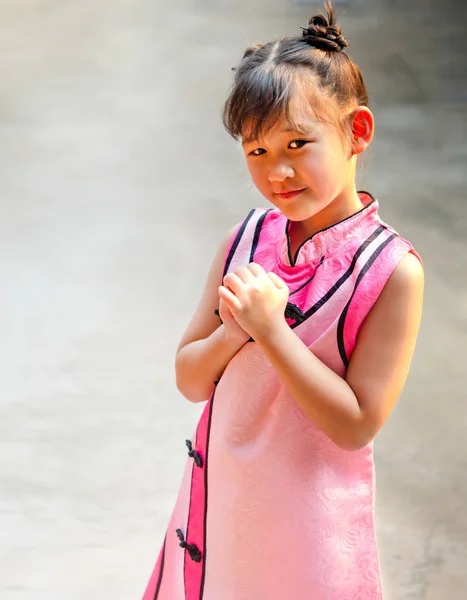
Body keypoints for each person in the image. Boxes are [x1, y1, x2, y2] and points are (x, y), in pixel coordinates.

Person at [142, 3, 424, 599]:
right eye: (257, 152)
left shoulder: (390, 272)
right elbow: (191, 378)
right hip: (222, 500)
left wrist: (272, 332)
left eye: (298, 143)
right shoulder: (245, 240)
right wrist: (235, 332)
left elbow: (356, 424)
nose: (278, 173)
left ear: (358, 132)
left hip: (311, 522)